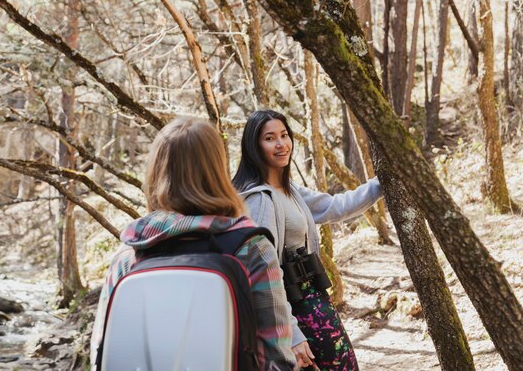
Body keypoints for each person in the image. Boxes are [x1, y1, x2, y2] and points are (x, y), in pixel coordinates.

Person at [90, 116, 296, 371]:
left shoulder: (130, 254)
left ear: (156, 172)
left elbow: (101, 352)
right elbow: (276, 357)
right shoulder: (251, 248)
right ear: (217, 171)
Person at [233, 110, 383, 371]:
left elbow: (334, 207)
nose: (281, 144)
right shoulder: (259, 201)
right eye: (270, 138)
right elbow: (263, 274)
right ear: (254, 147)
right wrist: (291, 333)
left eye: (284, 135)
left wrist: (381, 184)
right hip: (293, 309)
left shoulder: (287, 188)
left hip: (313, 299)